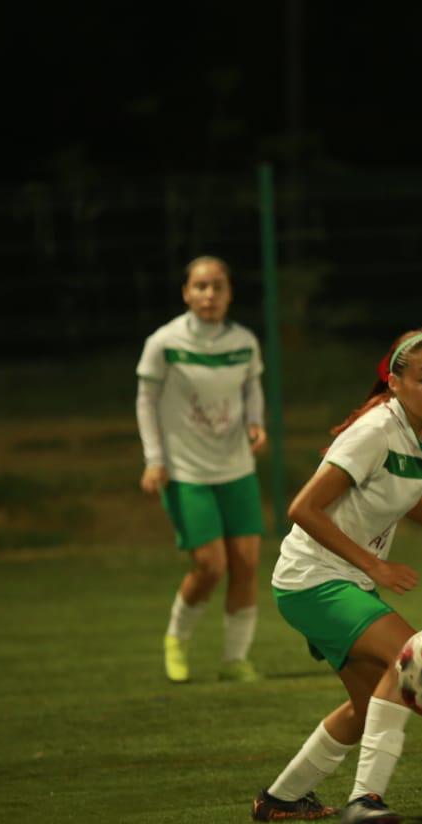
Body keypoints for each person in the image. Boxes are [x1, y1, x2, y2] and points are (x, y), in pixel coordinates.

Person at [253, 328, 422, 824]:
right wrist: (375, 565)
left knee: (370, 705)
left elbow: (399, 495)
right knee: (410, 656)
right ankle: (364, 802)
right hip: (312, 581)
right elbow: (302, 508)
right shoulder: (373, 432)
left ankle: (280, 798)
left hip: (338, 580)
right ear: (394, 383)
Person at [136, 256, 268, 683]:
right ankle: (177, 638)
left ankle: (235, 660)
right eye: (200, 287)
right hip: (187, 471)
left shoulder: (244, 341)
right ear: (185, 293)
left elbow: (253, 388)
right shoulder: (164, 342)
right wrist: (155, 459)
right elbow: (146, 401)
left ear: (229, 294)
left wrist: (255, 423)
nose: (208, 295)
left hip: (236, 468)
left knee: (246, 562)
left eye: (217, 287)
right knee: (211, 565)